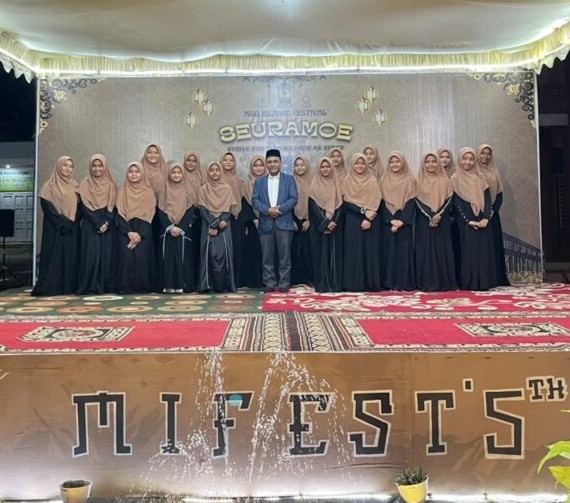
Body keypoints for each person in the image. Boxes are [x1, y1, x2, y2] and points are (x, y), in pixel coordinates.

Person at [32, 156, 81, 296]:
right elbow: (47, 208)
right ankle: (52, 287)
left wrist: (71, 224)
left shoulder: (75, 186)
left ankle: (68, 287)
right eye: (65, 165)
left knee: (70, 258)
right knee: (54, 257)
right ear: (59, 166)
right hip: (54, 229)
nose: (68, 169)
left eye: (71, 166)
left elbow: (80, 208)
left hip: (72, 230)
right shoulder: (49, 186)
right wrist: (63, 223)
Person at [451, 147, 498, 290]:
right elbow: (456, 203)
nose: (468, 162)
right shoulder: (455, 178)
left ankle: (484, 282)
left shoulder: (480, 177)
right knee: (468, 253)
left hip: (482, 219)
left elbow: (488, 200)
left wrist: (486, 218)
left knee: (483, 252)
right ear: (460, 160)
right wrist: (468, 220)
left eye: (471, 159)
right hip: (465, 222)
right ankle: (469, 283)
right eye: (464, 159)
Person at [252, 149, 298, 293]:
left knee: (285, 257)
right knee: (267, 258)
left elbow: (293, 198)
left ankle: (284, 284)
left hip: (284, 223)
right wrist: (267, 210)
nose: (272, 164)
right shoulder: (259, 181)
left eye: (275, 161)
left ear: (281, 163)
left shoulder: (289, 179)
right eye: (270, 162)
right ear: (266, 164)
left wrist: (278, 210)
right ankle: (269, 283)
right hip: (265, 224)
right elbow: (255, 200)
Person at [414, 152, 458, 291]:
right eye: (427, 161)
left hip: (442, 221)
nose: (431, 164)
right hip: (424, 221)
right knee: (426, 251)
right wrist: (430, 215)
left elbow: (450, 199)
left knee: (441, 250)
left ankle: (444, 282)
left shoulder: (445, 181)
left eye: (434, 161)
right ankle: (426, 282)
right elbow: (416, 200)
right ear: (423, 164)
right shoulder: (418, 181)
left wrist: (439, 215)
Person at [76, 154, 118, 294]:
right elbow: (84, 207)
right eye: (94, 166)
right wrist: (98, 223)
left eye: (100, 165)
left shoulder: (111, 184)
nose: (97, 168)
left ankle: (106, 286)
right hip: (90, 224)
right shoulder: (85, 184)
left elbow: (113, 206)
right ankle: (90, 286)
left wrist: (106, 222)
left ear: (105, 167)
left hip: (108, 225)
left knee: (107, 256)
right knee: (90, 256)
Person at [341, 153, 382, 291]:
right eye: (357, 163)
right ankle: (354, 284)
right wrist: (363, 211)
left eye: (363, 163)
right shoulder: (347, 180)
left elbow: (377, 200)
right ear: (352, 165)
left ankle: (371, 284)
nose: (360, 166)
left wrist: (368, 218)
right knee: (354, 251)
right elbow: (345, 202)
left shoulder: (372, 180)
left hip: (371, 220)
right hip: (353, 220)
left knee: (369, 252)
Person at [114, 162, 157, 293]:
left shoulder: (148, 192)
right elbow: (119, 212)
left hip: (144, 229)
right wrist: (129, 233)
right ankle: (126, 287)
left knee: (142, 257)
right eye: (131, 172)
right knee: (126, 257)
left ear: (142, 174)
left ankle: (143, 287)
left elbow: (150, 213)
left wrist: (140, 234)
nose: (134, 174)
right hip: (125, 228)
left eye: (137, 172)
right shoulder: (122, 190)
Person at [156, 162, 198, 293]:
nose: (176, 175)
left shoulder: (188, 190)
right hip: (167, 231)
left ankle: (183, 285)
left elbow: (190, 210)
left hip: (183, 232)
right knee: (168, 258)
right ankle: (167, 285)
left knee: (182, 257)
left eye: (179, 172)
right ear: (169, 174)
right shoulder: (163, 190)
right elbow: (160, 210)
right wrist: (170, 227)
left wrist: (180, 227)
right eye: (173, 172)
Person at [379, 151, 417, 291]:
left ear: (403, 163)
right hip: (387, 222)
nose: (394, 164)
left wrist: (401, 221)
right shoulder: (383, 180)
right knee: (388, 253)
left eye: (397, 161)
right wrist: (391, 220)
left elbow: (412, 201)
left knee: (403, 252)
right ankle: (388, 282)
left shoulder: (410, 180)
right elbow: (380, 202)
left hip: (404, 222)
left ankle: (404, 282)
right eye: (392, 162)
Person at [198, 161, 237, 293]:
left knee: (224, 253)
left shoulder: (227, 188)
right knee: (208, 254)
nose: (214, 172)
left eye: (217, 170)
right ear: (207, 172)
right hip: (208, 226)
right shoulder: (203, 189)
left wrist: (219, 225)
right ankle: (207, 285)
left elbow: (228, 209)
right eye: (212, 170)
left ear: (221, 172)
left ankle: (226, 285)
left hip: (224, 226)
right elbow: (203, 210)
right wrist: (214, 224)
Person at [308, 157, 344, 293]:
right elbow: (313, 207)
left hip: (335, 226)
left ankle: (335, 285)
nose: (325, 169)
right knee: (319, 255)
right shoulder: (314, 186)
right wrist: (326, 223)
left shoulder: (337, 185)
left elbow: (340, 205)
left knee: (334, 256)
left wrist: (334, 221)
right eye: (322, 167)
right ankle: (322, 286)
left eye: (328, 167)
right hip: (319, 227)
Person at [477, 143, 510, 286]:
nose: (485, 156)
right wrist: (482, 213)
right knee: (481, 247)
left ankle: (496, 278)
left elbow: (500, 195)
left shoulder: (494, 171)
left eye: (488, 153)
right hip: (477, 214)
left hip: (492, 215)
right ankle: (483, 278)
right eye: (482, 153)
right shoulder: (474, 171)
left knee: (494, 246)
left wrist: (491, 211)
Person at [220, 151, 246, 287]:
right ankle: (223, 280)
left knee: (236, 249)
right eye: (225, 160)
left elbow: (242, 199)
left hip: (236, 218)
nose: (228, 162)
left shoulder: (239, 181)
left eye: (231, 160)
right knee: (222, 251)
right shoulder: (217, 179)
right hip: (221, 218)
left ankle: (236, 281)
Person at [240, 155, 266, 288]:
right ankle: (254, 281)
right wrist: (254, 218)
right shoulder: (245, 185)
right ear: (251, 167)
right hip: (252, 225)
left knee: (268, 252)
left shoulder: (270, 183)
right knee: (253, 252)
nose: (258, 168)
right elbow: (244, 204)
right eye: (256, 165)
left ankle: (268, 280)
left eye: (261, 165)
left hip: (269, 221)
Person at [291, 155, 314, 286]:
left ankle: (309, 278)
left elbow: (317, 202)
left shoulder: (313, 181)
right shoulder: (290, 181)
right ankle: (295, 279)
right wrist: (291, 220)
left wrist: (310, 220)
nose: (299, 167)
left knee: (308, 250)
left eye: (302, 164)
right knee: (294, 250)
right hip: (293, 220)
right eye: (297, 165)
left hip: (309, 220)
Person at [183, 150, 204, 283]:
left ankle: (198, 280)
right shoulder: (180, 175)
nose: (191, 163)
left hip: (201, 215)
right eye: (188, 160)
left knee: (199, 247)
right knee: (187, 249)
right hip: (184, 215)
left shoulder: (202, 176)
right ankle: (188, 280)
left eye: (194, 161)